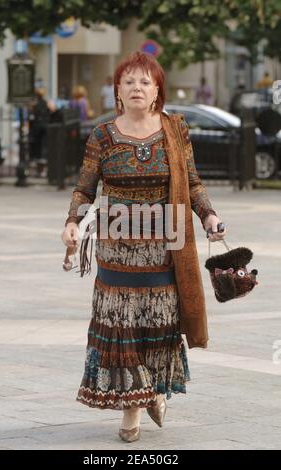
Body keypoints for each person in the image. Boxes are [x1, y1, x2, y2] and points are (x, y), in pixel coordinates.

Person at [61, 51, 226, 443]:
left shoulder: (176, 129)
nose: (137, 87)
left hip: (165, 250)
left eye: (145, 82)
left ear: (157, 92)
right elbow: (85, 189)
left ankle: (147, 393)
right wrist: (71, 222)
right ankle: (133, 409)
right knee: (123, 331)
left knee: (156, 329)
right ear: (117, 90)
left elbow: (193, 182)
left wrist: (209, 217)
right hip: (115, 251)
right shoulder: (102, 136)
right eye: (129, 81)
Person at [28, 88, 50, 176]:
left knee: (38, 150)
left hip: (37, 130)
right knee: (42, 150)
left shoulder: (35, 104)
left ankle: (39, 170)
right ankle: (41, 170)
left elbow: (32, 117)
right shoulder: (45, 103)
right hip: (43, 130)